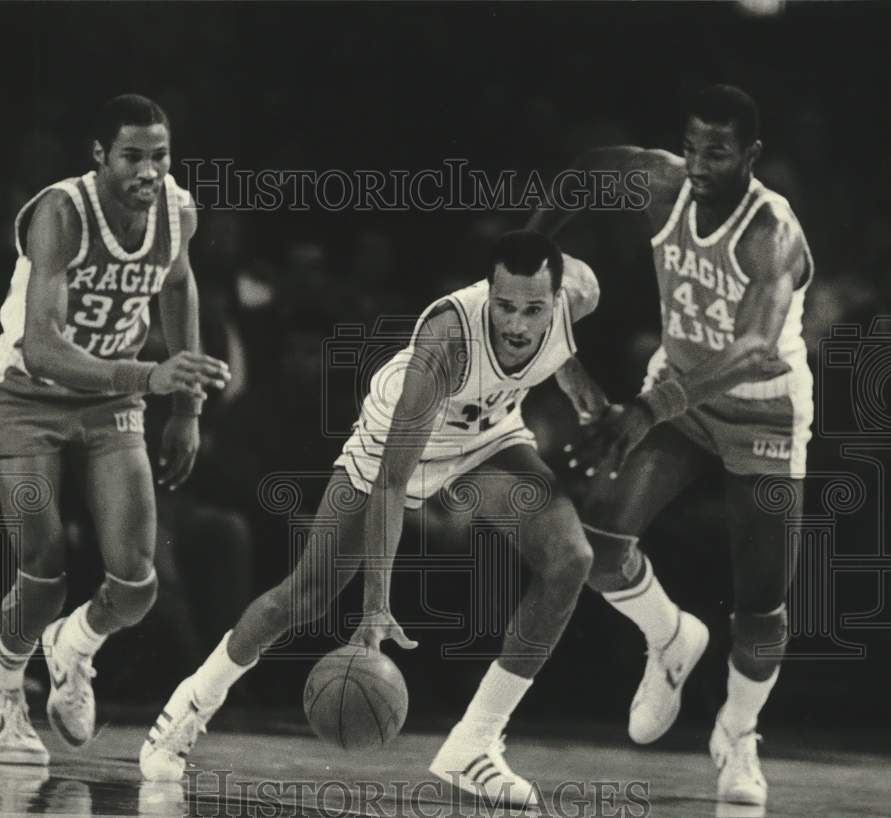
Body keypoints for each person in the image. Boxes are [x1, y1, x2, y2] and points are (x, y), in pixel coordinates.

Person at [139, 230, 604, 808]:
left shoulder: (581, 293)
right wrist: (376, 603)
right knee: (304, 595)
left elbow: (559, 349)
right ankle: (188, 708)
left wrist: (576, 378)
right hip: (396, 443)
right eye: (504, 306)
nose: (515, 323)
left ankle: (475, 742)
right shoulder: (444, 345)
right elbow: (391, 483)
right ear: (488, 292)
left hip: (486, 435)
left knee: (570, 560)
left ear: (560, 298)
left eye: (532, 310)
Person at [529, 84, 813, 807]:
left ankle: (738, 735)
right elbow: (586, 170)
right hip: (682, 397)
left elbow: (754, 349)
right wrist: (530, 250)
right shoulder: (662, 184)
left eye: (716, 153)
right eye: (690, 148)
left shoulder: (770, 233)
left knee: (762, 603)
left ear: (750, 155)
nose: (698, 165)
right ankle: (671, 638)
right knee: (599, 541)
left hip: (763, 416)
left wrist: (648, 407)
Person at [0, 94, 230, 765]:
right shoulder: (62, 214)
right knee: (43, 572)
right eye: (133, 156)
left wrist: (188, 409)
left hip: (111, 401)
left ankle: (75, 645)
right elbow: (42, 346)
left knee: (139, 584)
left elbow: (177, 286)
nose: (150, 171)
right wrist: (151, 379)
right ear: (98, 156)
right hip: (28, 396)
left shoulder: (177, 210)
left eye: (160, 155)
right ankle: (1, 689)